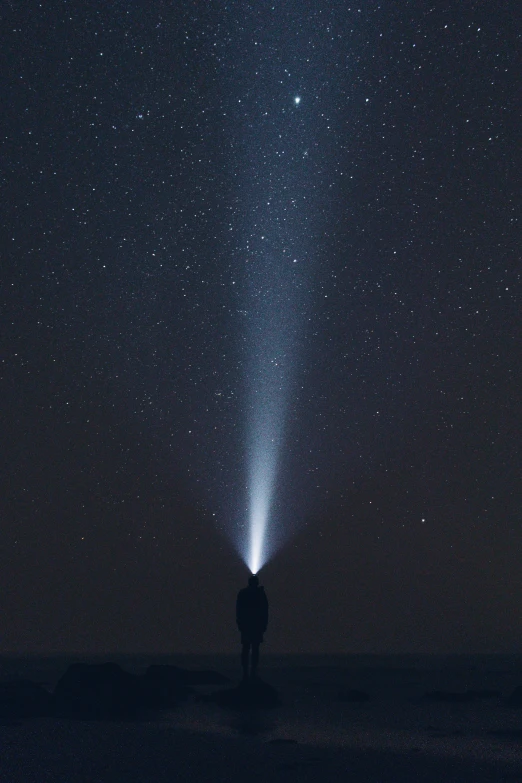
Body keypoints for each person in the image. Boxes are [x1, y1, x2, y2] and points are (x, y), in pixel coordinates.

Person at [236, 574, 269, 681]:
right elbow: (265, 610)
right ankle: (252, 672)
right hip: (255, 626)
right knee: (254, 649)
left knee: (246, 649)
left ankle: (246, 673)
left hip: (247, 625)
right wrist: (264, 625)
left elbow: (238, 610)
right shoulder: (260, 594)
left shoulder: (243, 593)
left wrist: (240, 624)